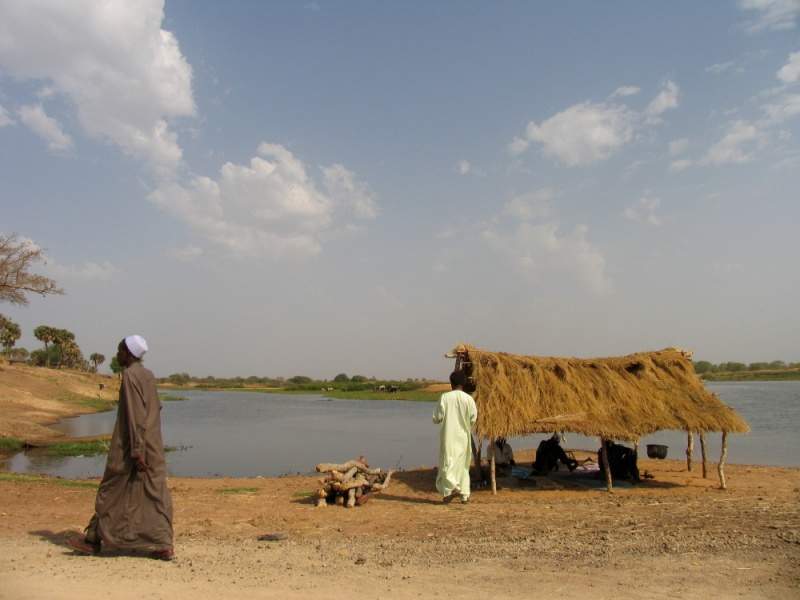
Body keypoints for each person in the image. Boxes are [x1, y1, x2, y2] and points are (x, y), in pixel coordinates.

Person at [68, 335, 174, 560]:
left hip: (131, 448)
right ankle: (163, 543)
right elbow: (155, 408)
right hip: (153, 444)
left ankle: (93, 540)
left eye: (119, 350)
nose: (117, 355)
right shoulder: (148, 375)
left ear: (128, 353)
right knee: (155, 493)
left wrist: (136, 450)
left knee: (110, 491)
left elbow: (136, 416)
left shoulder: (130, 376)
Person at [433, 370, 477, 504]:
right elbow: (473, 419)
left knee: (448, 464)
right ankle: (464, 495)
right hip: (463, 438)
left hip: (448, 437)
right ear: (463, 384)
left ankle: (449, 492)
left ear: (451, 383)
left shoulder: (445, 398)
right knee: (463, 465)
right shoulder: (469, 399)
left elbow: (437, 418)